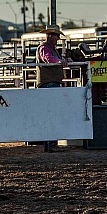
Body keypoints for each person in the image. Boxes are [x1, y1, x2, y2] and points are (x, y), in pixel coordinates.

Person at [36, 24, 68, 153]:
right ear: (50, 36)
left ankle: (51, 143)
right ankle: (50, 144)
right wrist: (59, 61)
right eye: (56, 35)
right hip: (48, 83)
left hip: (50, 83)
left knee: (51, 113)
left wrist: (62, 60)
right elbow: (47, 59)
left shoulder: (51, 48)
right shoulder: (44, 48)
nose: (58, 38)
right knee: (51, 113)